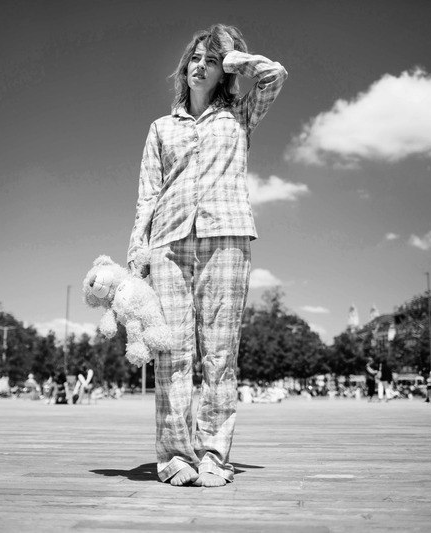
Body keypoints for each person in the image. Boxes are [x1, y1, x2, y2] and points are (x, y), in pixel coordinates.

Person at [126, 23, 287, 487]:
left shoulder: (239, 115)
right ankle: (176, 455)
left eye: (211, 61)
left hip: (228, 237)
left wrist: (237, 57)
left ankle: (215, 454)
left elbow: (275, 76)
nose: (201, 66)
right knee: (170, 352)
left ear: (224, 72)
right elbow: (146, 195)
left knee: (220, 354)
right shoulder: (160, 128)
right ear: (184, 66)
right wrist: (137, 250)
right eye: (196, 58)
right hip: (168, 243)